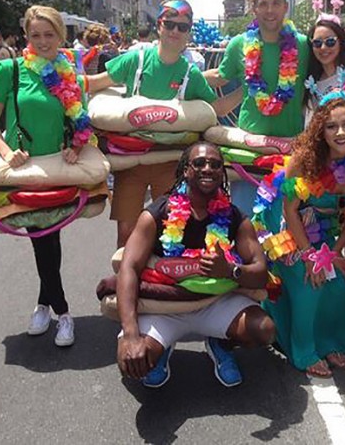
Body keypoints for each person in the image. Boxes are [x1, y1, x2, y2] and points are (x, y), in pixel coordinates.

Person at [0, 5, 114, 347]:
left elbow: (78, 119)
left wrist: (76, 144)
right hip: (22, 169)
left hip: (57, 168)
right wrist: (6, 152)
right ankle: (62, 311)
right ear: (27, 37)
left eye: (49, 34)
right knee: (43, 238)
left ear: (61, 36)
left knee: (47, 238)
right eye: (35, 35)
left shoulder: (69, 74)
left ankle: (45, 306)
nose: (42, 41)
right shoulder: (10, 70)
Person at [116, 141, 275, 388]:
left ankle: (219, 342)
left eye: (215, 164)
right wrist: (130, 334)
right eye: (199, 163)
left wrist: (230, 271)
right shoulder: (156, 214)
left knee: (263, 329)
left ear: (222, 172)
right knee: (131, 363)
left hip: (214, 305)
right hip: (165, 308)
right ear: (186, 170)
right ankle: (163, 345)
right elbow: (129, 268)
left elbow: (260, 272)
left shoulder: (234, 217)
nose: (207, 169)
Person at [254, 94, 345, 377]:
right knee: (308, 281)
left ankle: (332, 343)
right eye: (331, 126)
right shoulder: (304, 159)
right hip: (287, 226)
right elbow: (288, 211)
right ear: (319, 130)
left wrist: (332, 254)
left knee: (340, 283)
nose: (340, 133)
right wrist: (311, 256)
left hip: (328, 226)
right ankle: (302, 350)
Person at [98, 0, 223, 248]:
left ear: (189, 33)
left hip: (170, 162)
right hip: (130, 163)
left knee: (170, 230)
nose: (175, 31)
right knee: (126, 233)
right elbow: (93, 83)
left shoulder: (191, 74)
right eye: (170, 24)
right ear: (159, 26)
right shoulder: (135, 60)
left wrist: (247, 91)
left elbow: (215, 110)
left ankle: (160, 283)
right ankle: (125, 283)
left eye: (183, 27)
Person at [204, 0, 310, 214]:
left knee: (285, 225)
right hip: (249, 147)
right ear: (255, 9)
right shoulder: (239, 44)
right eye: (263, 4)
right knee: (245, 220)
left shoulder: (302, 45)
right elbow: (221, 77)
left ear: (286, 7)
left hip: (289, 145)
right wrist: (186, 75)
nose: (270, 10)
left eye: (276, 3)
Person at [304, 15, 345, 119]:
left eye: (330, 42)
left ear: (341, 42)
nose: (323, 48)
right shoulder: (311, 82)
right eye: (317, 43)